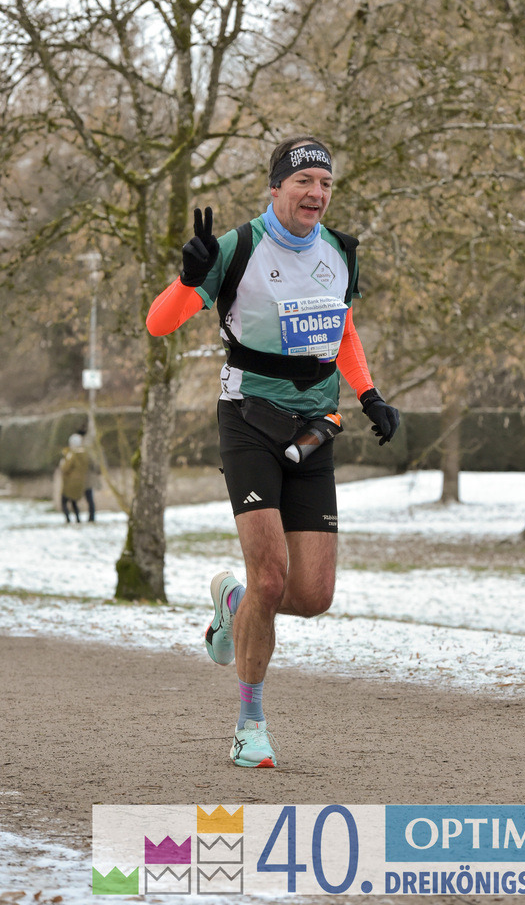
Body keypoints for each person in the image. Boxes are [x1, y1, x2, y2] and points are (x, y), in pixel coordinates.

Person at [146, 135, 400, 768]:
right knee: (270, 575)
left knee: (311, 595)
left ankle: (236, 604)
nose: (316, 193)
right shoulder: (236, 248)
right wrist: (188, 278)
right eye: (303, 182)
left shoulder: (340, 251)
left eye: (325, 183)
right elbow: (159, 324)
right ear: (275, 188)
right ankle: (249, 722)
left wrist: (368, 394)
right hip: (249, 421)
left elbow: (341, 328)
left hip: (314, 425)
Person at [59, 433, 89, 523]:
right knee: (74, 502)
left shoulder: (72, 455)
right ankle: (77, 519)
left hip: (70, 482)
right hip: (80, 481)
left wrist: (62, 463)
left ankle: (68, 519)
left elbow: (65, 468)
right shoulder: (85, 454)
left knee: (64, 501)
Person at [76, 423, 98, 522]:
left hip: (86, 478)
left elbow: (92, 462)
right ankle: (90, 517)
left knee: (89, 498)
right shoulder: (84, 446)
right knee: (88, 498)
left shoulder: (85, 447)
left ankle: (91, 517)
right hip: (84, 477)